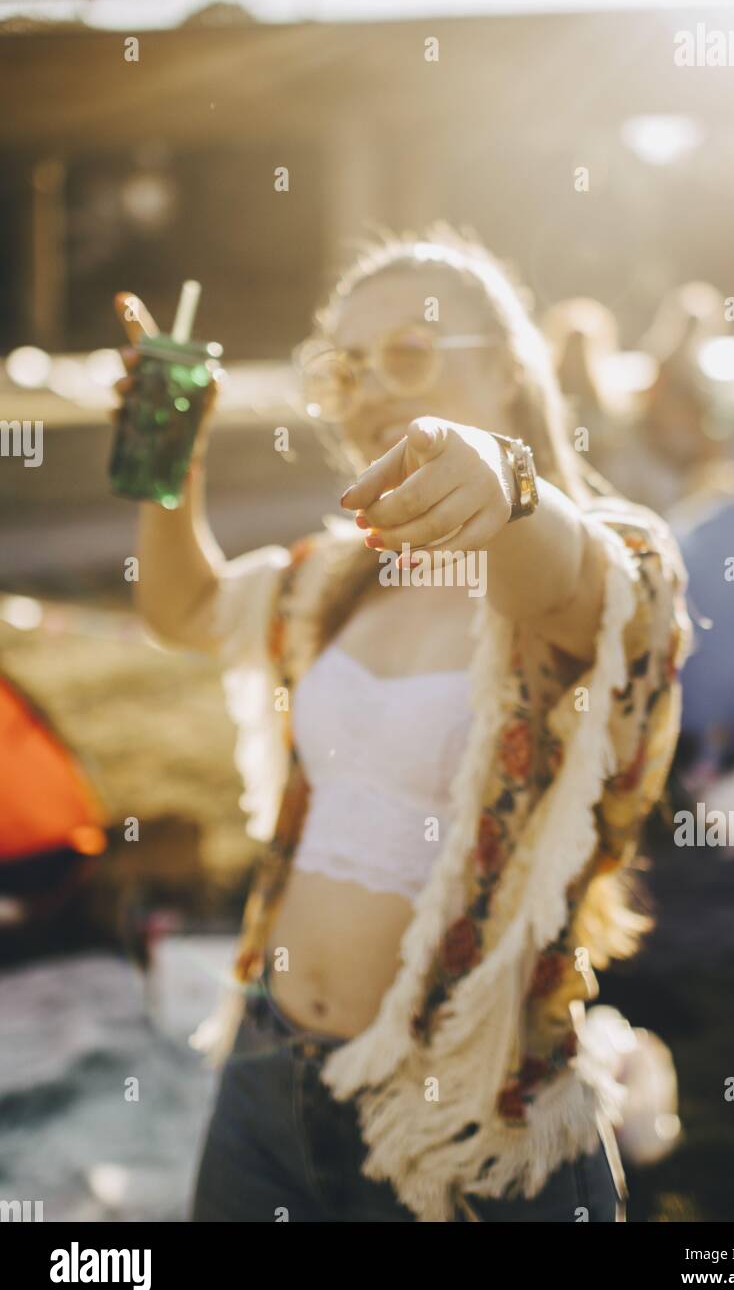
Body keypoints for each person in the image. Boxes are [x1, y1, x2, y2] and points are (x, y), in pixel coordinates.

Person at [119, 223, 691, 1222]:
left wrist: (501, 483)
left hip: (462, 1115)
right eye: (344, 367)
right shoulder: (332, 579)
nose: (373, 384)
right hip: (265, 1068)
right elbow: (184, 609)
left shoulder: (609, 555)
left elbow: (576, 583)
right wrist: (173, 445)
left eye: (410, 352)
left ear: (511, 370)